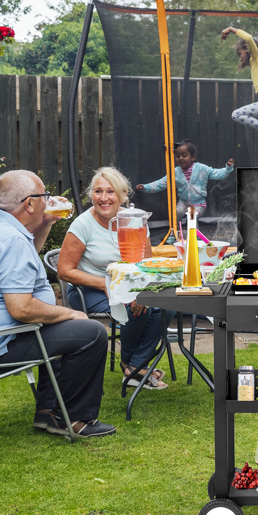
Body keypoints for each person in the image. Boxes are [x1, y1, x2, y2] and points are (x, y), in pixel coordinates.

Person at [0, 170, 115, 438]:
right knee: (92, 332)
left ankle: (48, 412)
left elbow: (25, 258)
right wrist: (68, 312)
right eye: (44, 196)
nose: (49, 200)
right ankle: (74, 419)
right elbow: (21, 309)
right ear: (29, 204)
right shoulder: (11, 239)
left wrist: (45, 224)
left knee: (60, 326)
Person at [59, 166, 173, 390]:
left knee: (166, 307)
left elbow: (146, 264)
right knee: (136, 308)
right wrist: (106, 285)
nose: (103, 198)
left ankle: (134, 365)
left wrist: (140, 291)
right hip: (88, 290)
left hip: (130, 285)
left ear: (122, 196)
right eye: (98, 192)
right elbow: (64, 270)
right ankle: (134, 369)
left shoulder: (135, 220)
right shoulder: (83, 224)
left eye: (110, 192)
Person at [135, 140, 234, 221]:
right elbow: (161, 184)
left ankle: (194, 235)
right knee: (176, 213)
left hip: (199, 204)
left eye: (184, 155)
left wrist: (228, 168)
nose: (180, 158)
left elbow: (218, 174)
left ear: (193, 157)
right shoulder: (175, 172)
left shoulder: (202, 169)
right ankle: (175, 232)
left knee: (192, 217)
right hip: (183, 203)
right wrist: (145, 187)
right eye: (177, 156)